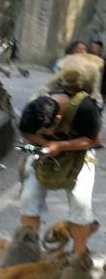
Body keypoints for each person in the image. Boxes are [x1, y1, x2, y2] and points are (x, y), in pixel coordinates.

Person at [18, 62, 102, 256]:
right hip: (44, 152)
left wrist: (62, 146)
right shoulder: (34, 108)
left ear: (58, 118)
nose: (42, 132)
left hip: (80, 152)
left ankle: (79, 256)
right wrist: (43, 142)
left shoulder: (85, 108)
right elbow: (26, 133)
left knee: (80, 203)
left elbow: (94, 139)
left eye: (45, 129)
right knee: (28, 198)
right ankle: (29, 252)